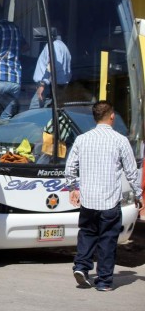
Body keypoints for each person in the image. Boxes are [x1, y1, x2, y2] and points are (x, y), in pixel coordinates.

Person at [64, 100, 143, 291]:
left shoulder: (82, 139)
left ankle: (82, 267)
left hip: (88, 200)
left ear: (95, 117)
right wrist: (139, 194)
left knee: (87, 234)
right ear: (112, 116)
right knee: (107, 239)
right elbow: (132, 171)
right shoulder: (120, 140)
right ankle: (104, 281)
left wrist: (73, 188)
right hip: (110, 202)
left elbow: (70, 167)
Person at [0, 7, 24, 120]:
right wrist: (13, 51)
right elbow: (26, 47)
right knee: (6, 115)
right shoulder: (16, 28)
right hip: (15, 79)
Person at [29, 28, 72, 109]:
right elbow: (68, 72)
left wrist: (42, 84)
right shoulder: (64, 47)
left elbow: (52, 64)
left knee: (33, 112)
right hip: (58, 86)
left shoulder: (53, 45)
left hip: (48, 86)